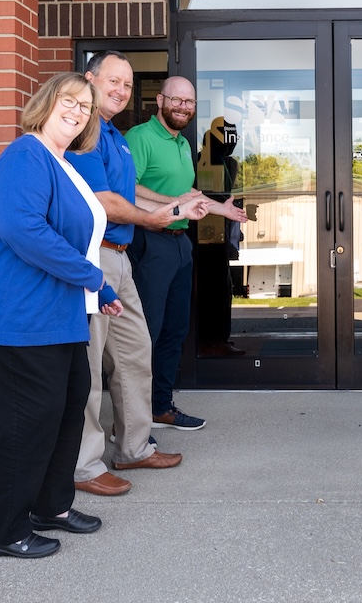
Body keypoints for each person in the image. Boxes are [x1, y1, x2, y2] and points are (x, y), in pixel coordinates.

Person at [0, 72, 117, 558]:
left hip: (58, 316)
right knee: (24, 422)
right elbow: (22, 229)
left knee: (67, 411)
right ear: (47, 102)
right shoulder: (25, 155)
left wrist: (89, 293)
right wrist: (93, 280)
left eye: (86, 108)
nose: (77, 112)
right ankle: (3, 532)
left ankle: (51, 506)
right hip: (13, 319)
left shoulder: (63, 163)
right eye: (69, 101)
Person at [67, 51, 207, 498]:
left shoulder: (115, 137)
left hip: (121, 256)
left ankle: (133, 446)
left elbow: (134, 195)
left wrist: (173, 209)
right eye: (113, 81)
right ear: (90, 80)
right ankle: (85, 465)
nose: (121, 91)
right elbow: (106, 201)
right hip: (94, 257)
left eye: (127, 85)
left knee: (134, 351)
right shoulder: (86, 134)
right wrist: (155, 219)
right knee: (90, 363)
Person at [126, 76, 248, 430]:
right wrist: (177, 204)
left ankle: (160, 407)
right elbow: (127, 189)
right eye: (177, 100)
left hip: (180, 243)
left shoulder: (181, 143)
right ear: (160, 100)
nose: (183, 107)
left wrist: (219, 209)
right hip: (151, 240)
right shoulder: (140, 138)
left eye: (189, 103)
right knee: (145, 332)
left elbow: (187, 190)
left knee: (174, 330)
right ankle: (131, 419)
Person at [195, 116, 245, 356]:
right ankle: (210, 341)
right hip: (205, 235)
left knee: (221, 287)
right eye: (226, 136)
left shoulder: (226, 163)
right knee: (212, 288)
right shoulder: (205, 161)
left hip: (217, 232)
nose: (230, 142)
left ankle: (215, 340)